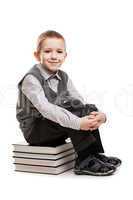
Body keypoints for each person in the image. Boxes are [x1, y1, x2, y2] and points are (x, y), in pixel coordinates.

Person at [16, 30, 121, 176]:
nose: (54, 56)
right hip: (36, 129)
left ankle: (93, 154)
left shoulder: (63, 76)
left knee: (86, 108)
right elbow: (46, 109)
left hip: (55, 126)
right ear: (37, 55)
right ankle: (84, 160)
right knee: (73, 111)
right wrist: (78, 123)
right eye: (47, 51)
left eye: (59, 52)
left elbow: (79, 101)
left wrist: (98, 116)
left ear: (65, 56)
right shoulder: (31, 79)